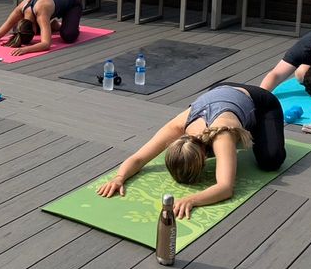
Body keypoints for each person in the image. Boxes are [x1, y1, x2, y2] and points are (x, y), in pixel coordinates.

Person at [96, 83, 286, 219]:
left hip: (260, 102)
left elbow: (226, 188)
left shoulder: (222, 136)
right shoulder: (177, 126)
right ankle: (241, 121)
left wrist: (192, 200)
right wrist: (119, 177)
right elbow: (138, 158)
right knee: (229, 153)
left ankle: (250, 126)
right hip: (219, 91)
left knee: (271, 160)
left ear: (203, 156)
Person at [0, 0, 82, 56]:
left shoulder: (41, 13)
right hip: (52, 3)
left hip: (72, 4)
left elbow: (46, 44)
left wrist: (26, 49)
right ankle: (53, 25)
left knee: (69, 35)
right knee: (22, 30)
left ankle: (63, 24)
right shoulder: (19, 10)